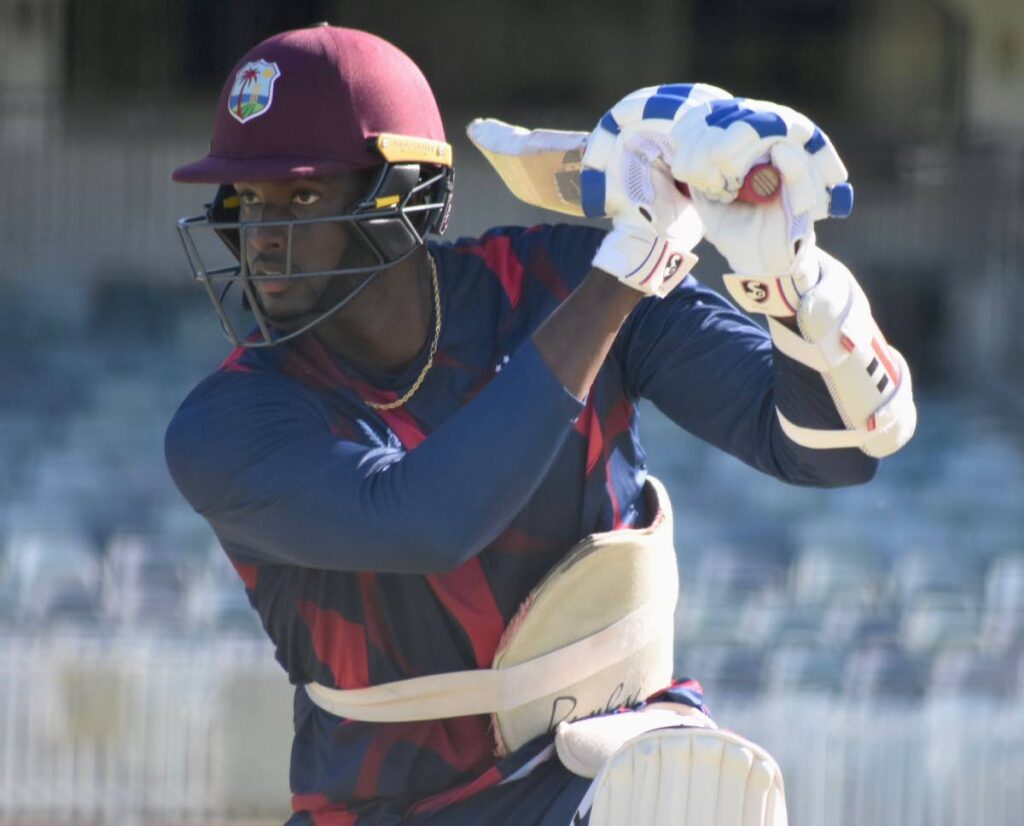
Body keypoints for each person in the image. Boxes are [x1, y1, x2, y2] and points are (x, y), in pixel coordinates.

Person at [166, 24, 915, 826]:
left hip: (608, 761)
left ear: (399, 196)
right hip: (387, 806)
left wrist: (788, 277)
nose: (262, 238)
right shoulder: (225, 422)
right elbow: (427, 522)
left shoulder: (555, 277)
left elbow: (829, 455)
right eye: (249, 202)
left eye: (303, 196)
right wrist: (627, 271)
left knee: (690, 795)